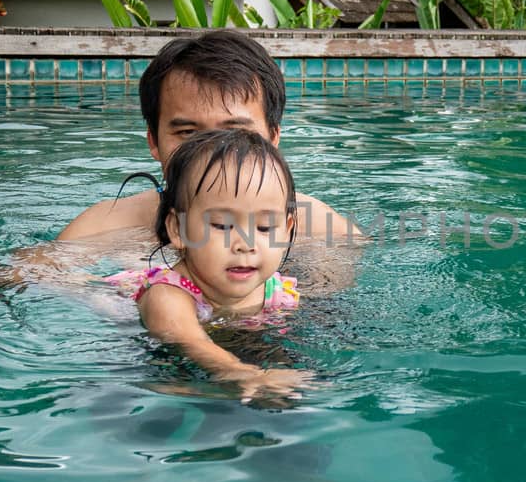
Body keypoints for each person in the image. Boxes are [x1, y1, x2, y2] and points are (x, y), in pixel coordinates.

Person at [58, 30, 354, 245]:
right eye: (188, 133)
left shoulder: (319, 231)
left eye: (236, 132)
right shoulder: (103, 229)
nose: (211, 152)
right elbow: (31, 280)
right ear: (154, 142)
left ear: (273, 139)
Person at [104, 129, 308, 397]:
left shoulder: (277, 290)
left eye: (264, 226)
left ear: (287, 228)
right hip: (118, 294)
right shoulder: (167, 297)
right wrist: (238, 371)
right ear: (178, 229)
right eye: (222, 225)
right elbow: (188, 339)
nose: (246, 243)